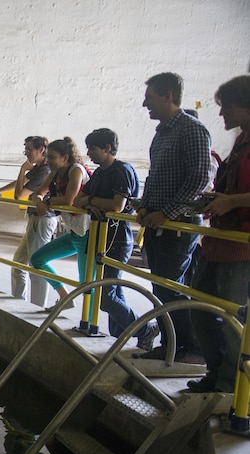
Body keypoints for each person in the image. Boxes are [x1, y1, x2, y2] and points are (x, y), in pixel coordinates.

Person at [135, 72, 211, 364]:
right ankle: (173, 344)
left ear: (168, 96)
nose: (145, 104)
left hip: (176, 226)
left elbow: (199, 177)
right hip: (156, 224)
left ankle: (187, 348)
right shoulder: (162, 132)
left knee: (171, 287)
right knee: (163, 287)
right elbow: (157, 176)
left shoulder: (192, 130)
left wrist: (166, 212)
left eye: (150, 98)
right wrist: (145, 206)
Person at [188, 75, 250, 393]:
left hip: (242, 247)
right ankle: (217, 371)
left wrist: (232, 202)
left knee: (232, 315)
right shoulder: (241, 142)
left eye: (226, 106)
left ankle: (232, 384)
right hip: (220, 242)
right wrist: (217, 200)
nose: (222, 113)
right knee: (201, 306)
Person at [73, 128, 159, 351]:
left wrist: (91, 201)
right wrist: (91, 202)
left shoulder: (122, 171)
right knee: (114, 291)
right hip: (100, 236)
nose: (89, 153)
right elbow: (78, 199)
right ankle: (123, 334)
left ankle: (144, 329)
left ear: (107, 148)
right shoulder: (100, 172)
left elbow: (116, 206)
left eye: (92, 148)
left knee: (106, 296)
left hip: (117, 239)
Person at [0, 136, 57, 306]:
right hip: (34, 219)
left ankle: (36, 308)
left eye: (29, 149)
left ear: (41, 150)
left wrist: (22, 169)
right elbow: (19, 183)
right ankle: (19, 301)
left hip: (43, 221)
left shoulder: (45, 171)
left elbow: (19, 194)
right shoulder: (38, 168)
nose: (26, 153)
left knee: (37, 266)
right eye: (25, 149)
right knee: (19, 262)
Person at [30, 138, 90, 311]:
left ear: (65, 157)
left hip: (87, 234)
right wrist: (40, 200)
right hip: (73, 233)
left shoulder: (76, 170)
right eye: (47, 157)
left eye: (53, 157)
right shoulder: (55, 173)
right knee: (37, 259)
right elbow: (38, 193)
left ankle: (87, 324)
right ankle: (65, 296)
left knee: (87, 283)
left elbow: (69, 200)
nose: (48, 161)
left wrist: (46, 200)